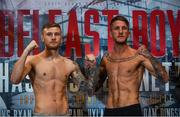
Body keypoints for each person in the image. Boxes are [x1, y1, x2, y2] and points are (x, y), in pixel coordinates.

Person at [85, 15, 169, 116]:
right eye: (116, 28)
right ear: (111, 34)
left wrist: (150, 56)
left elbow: (164, 78)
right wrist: (92, 70)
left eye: (124, 28)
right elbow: (92, 91)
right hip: (110, 111)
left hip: (131, 110)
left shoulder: (139, 55)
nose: (120, 31)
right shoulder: (106, 59)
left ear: (128, 33)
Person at [10, 23, 91, 116]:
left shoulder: (69, 64)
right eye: (49, 34)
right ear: (42, 37)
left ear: (60, 38)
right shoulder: (32, 60)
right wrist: (26, 51)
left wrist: (91, 68)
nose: (53, 37)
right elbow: (14, 80)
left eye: (57, 34)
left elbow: (87, 89)